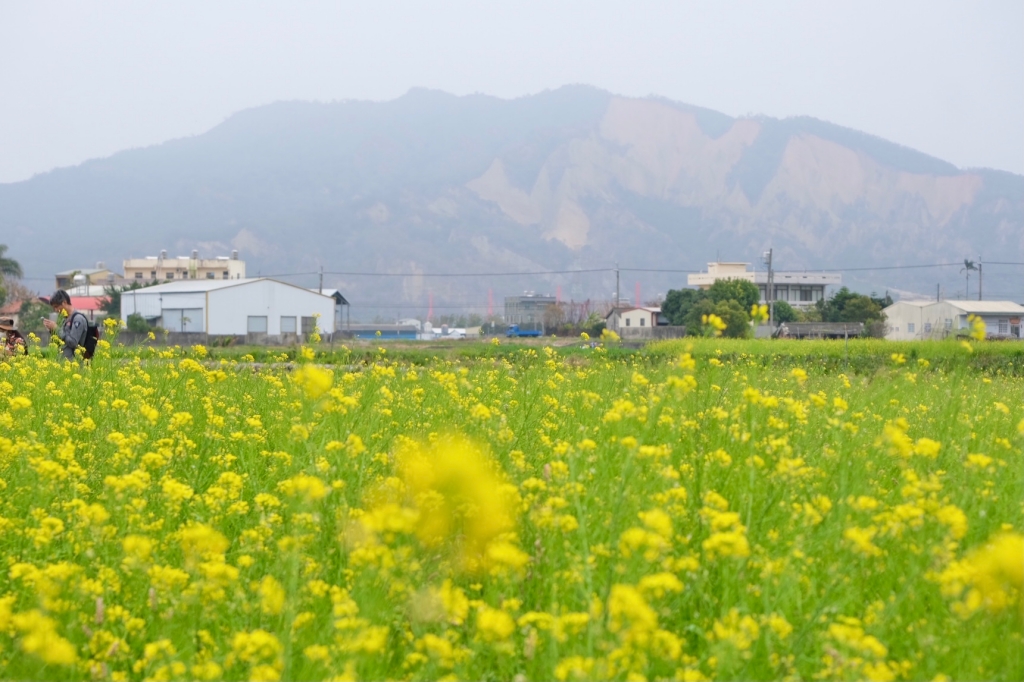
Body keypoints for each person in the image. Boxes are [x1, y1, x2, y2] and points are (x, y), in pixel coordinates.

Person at [41, 290, 88, 362]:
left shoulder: (77, 319)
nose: (55, 310)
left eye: (56, 307)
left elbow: (73, 342)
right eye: (53, 308)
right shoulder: (64, 319)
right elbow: (61, 340)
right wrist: (52, 330)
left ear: (64, 302)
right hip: (63, 363)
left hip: (75, 365)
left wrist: (57, 329)